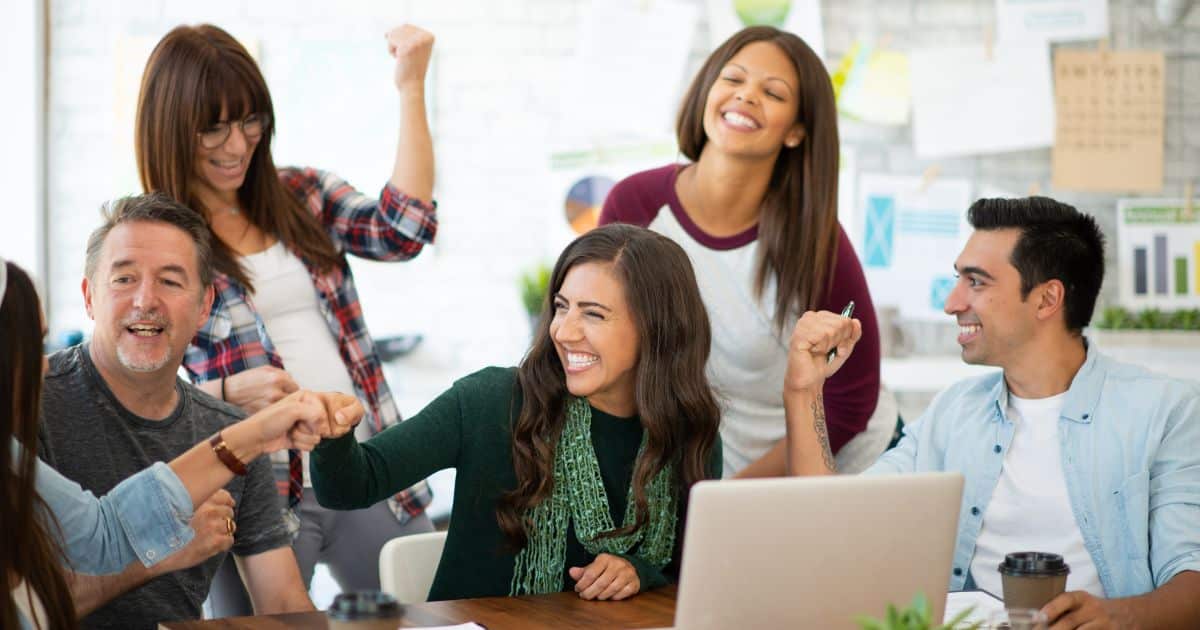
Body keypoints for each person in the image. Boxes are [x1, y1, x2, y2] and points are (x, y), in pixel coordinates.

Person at [133, 23, 438, 610]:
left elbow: (405, 230)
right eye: (213, 127)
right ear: (171, 128)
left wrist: (410, 86)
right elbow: (128, 384)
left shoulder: (301, 193)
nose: (236, 144)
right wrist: (224, 390)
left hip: (357, 459)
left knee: (430, 613)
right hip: (251, 492)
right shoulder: (154, 238)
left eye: (250, 121)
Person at [788, 197, 1200, 629]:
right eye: (957, 280)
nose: (951, 303)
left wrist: (1114, 617)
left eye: (977, 283)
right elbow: (833, 525)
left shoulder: (1166, 412)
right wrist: (805, 390)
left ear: (1047, 299)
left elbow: (1191, 579)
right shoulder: (952, 413)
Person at [311, 224, 722, 601]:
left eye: (593, 314)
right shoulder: (492, 400)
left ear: (657, 327)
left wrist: (639, 570)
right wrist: (332, 432)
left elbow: (694, 574)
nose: (563, 331)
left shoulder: (691, 432)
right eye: (562, 307)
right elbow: (350, 486)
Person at [36, 194, 343, 629]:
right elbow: (24, 609)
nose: (145, 300)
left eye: (170, 281)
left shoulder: (230, 434)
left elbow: (282, 599)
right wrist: (161, 549)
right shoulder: (30, 406)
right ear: (89, 296)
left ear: (203, 306)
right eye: (124, 279)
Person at [598, 25, 888, 478]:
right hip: (694, 476)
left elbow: (852, 397)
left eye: (772, 93)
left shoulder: (816, 238)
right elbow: (609, 350)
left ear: (795, 131)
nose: (746, 96)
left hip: (818, 467)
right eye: (733, 79)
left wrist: (736, 491)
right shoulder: (634, 205)